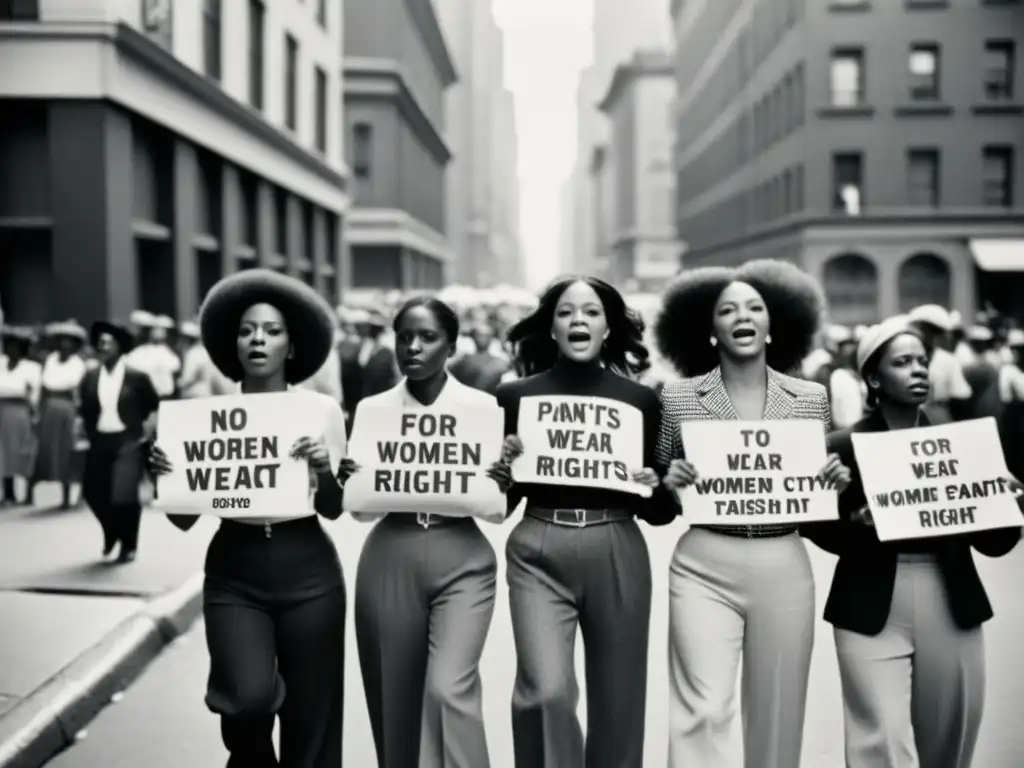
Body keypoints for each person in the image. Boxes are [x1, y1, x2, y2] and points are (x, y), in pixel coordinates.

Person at [654, 259, 850, 768]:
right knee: (702, 706)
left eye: (755, 307)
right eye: (727, 309)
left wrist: (836, 485)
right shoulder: (676, 399)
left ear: (773, 324)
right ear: (711, 329)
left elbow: (813, 502)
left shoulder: (810, 399)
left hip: (783, 560)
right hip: (702, 564)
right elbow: (653, 493)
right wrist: (667, 483)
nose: (742, 316)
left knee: (779, 707)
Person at [802, 316, 1022, 768]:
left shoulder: (959, 443)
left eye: (923, 361)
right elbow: (818, 529)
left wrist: (1007, 501)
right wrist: (851, 514)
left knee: (949, 735)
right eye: (903, 362)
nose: (919, 370)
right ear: (874, 377)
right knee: (878, 738)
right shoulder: (841, 447)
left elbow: (996, 543)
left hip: (951, 597)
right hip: (869, 602)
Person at [148, 269, 347, 768]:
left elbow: (333, 507)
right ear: (233, 345)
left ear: (292, 347)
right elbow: (181, 520)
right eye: (246, 330)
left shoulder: (321, 410)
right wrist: (165, 476)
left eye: (272, 331)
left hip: (309, 571)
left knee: (311, 718)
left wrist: (324, 469)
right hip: (235, 572)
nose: (258, 339)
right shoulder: (202, 418)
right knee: (247, 697)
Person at [497, 275, 676, 768]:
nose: (579, 319)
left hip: (617, 541)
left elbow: (660, 513)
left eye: (592, 311)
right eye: (566, 312)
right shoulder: (513, 398)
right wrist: (499, 470)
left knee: (619, 700)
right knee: (544, 693)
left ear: (608, 328)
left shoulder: (641, 401)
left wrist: (655, 484)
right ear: (550, 328)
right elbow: (499, 503)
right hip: (537, 544)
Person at [337, 296, 512, 768]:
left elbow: (496, 511)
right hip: (389, 554)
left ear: (451, 346)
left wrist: (504, 481)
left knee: (449, 687)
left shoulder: (482, 409)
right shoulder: (373, 411)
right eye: (404, 337)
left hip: (464, 558)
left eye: (428, 337)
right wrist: (349, 477)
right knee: (393, 694)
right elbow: (360, 512)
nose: (413, 347)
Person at [78, 320, 159, 562]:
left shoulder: (137, 377)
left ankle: (129, 544)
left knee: (124, 495)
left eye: (108, 342)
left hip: (128, 439)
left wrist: (148, 433)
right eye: (100, 342)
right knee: (93, 491)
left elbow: (152, 406)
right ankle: (110, 530)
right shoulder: (90, 376)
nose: (103, 346)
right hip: (100, 439)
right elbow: (84, 407)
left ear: (120, 347)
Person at [30, 321, 88, 509]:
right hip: (49, 407)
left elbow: (76, 389)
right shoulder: (51, 360)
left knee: (67, 450)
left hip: (67, 407)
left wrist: (79, 414)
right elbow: (43, 385)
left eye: (69, 342)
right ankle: (31, 492)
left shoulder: (77, 363)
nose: (65, 345)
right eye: (62, 341)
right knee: (46, 449)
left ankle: (68, 495)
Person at [0, 326, 41, 507]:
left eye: (15, 346)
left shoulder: (31, 368)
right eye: (8, 346)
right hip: (2, 412)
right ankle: (9, 493)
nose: (11, 350)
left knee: (25, 451)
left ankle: (29, 494)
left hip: (21, 413)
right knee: (3, 453)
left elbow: (34, 393)